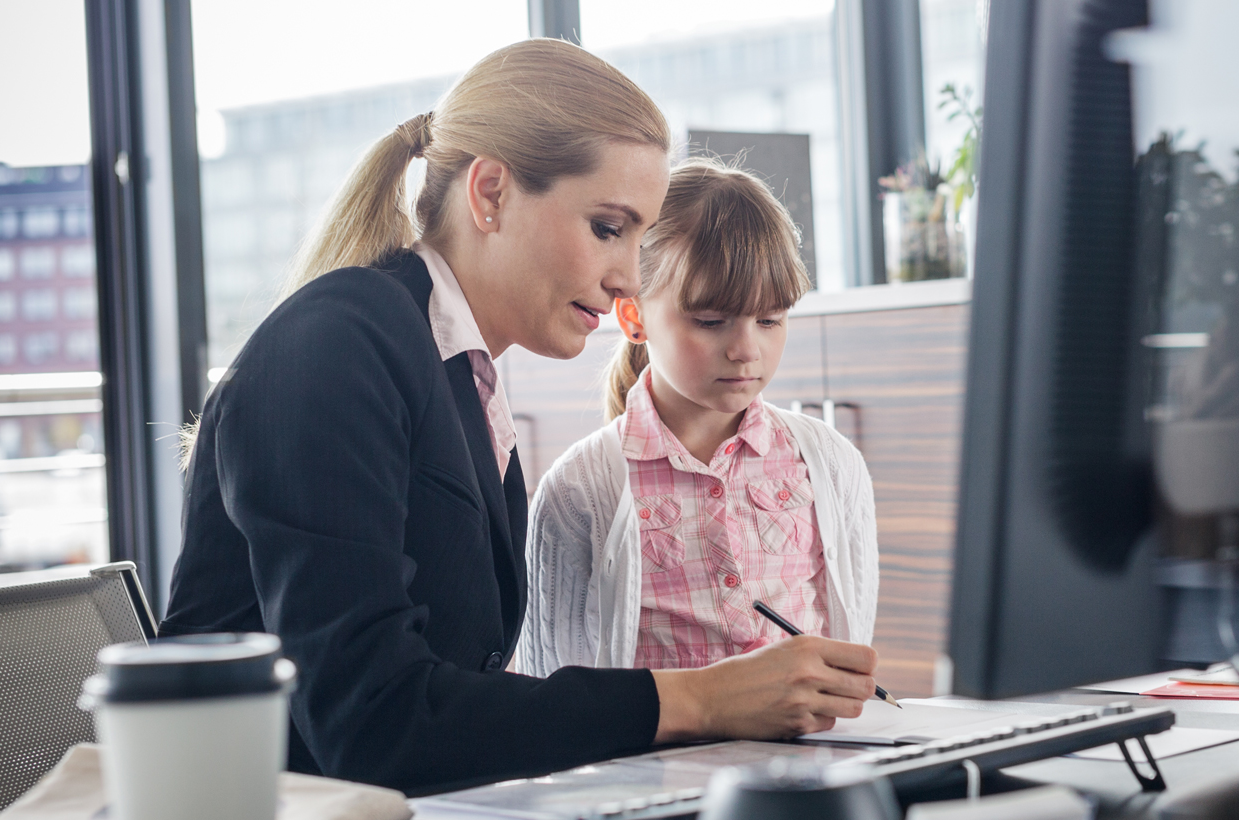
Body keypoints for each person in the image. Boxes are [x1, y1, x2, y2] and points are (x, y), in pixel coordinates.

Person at [161, 40, 879, 796]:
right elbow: (374, 723)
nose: (628, 277)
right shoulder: (337, 348)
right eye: (608, 227)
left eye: (640, 235)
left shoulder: (454, 377)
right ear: (492, 193)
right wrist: (700, 699)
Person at [518, 160, 878, 677]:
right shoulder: (580, 491)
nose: (746, 350)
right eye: (711, 321)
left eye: (771, 319)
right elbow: (553, 690)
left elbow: (850, 643)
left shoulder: (830, 464)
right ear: (634, 315)